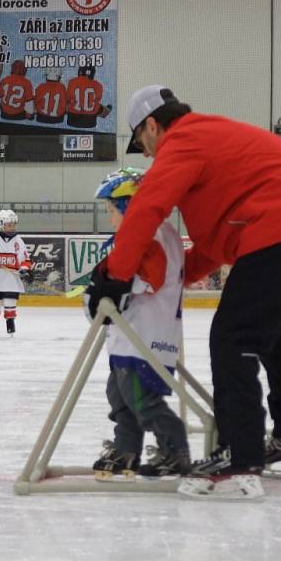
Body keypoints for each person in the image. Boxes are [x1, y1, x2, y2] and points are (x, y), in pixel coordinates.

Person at [85, 85, 281, 499]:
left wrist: (115, 276)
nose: (147, 153)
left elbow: (148, 208)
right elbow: (209, 247)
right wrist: (175, 278)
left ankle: (238, 458)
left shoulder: (183, 140)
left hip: (280, 224)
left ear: (152, 125)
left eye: (142, 142)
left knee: (232, 339)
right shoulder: (212, 139)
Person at [86, 168, 191, 482]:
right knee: (118, 393)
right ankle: (126, 448)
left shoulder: (153, 232)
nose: (109, 218)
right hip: (132, 334)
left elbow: (151, 277)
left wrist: (116, 287)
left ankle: (175, 450)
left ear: (128, 204)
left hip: (145, 335)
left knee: (140, 398)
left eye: (111, 210)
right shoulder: (153, 232)